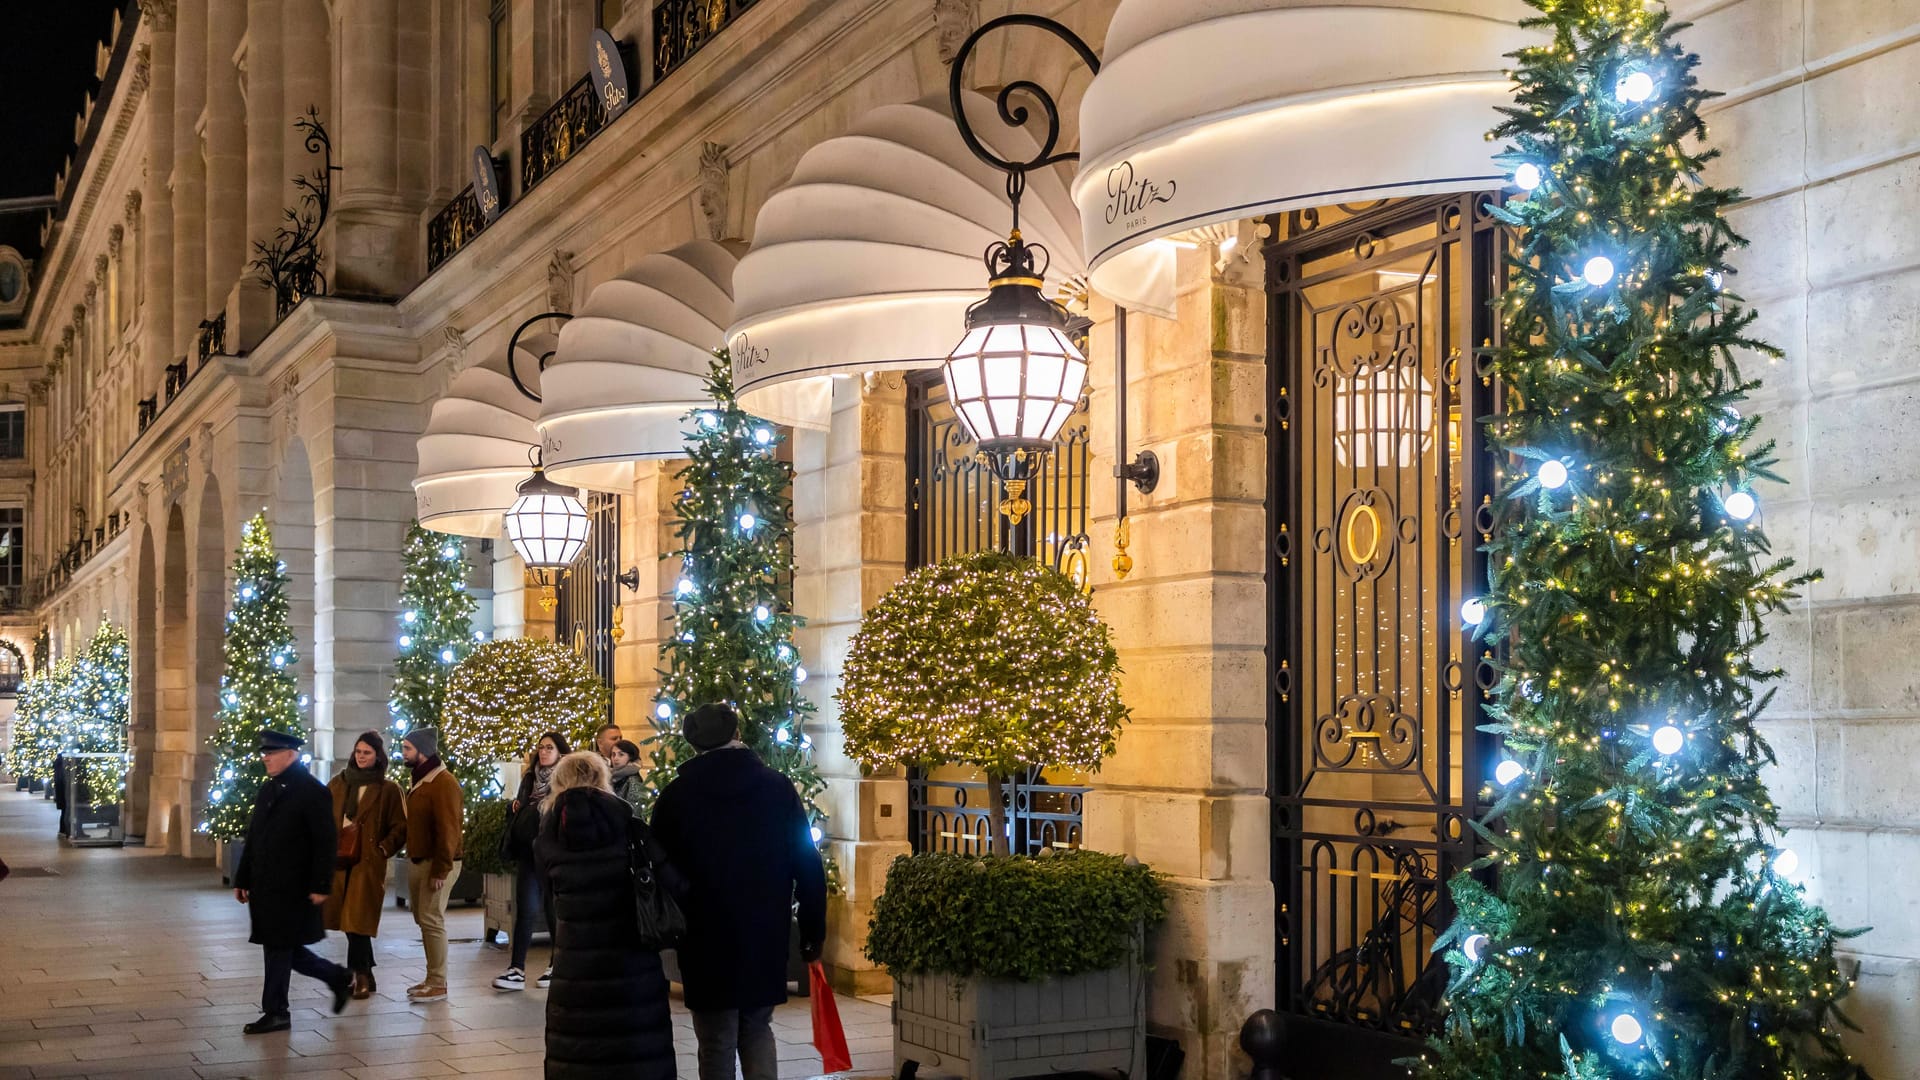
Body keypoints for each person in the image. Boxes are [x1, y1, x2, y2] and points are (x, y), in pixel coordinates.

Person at [652, 703, 828, 1080]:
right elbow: (807, 861)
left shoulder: (677, 796)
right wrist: (813, 934)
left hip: (704, 932)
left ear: (694, 745)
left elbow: (657, 866)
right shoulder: (777, 787)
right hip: (764, 930)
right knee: (758, 1028)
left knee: (715, 1039)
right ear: (736, 735)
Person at [537, 751, 676, 1078]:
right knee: (635, 1055)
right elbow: (673, 883)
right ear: (603, 780)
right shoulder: (631, 830)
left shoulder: (548, 837)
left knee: (578, 1054)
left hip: (575, 969)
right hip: (632, 966)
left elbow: (549, 892)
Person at [233, 730, 353, 1035]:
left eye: (271, 754)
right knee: (285, 949)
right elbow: (255, 838)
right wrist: (243, 877)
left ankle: (276, 1011)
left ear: (291, 754)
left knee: (278, 948)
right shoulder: (269, 790)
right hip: (266, 887)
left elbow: (325, 842)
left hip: (293, 888)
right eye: (265, 754)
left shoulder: (312, 792)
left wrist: (321, 884)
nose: (266, 759)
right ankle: (338, 978)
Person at [324, 732, 407, 1000]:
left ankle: (358, 976)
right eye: (358, 751)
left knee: (357, 920)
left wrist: (383, 849)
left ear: (377, 756)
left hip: (367, 862)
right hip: (338, 860)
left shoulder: (388, 789)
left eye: (367, 753)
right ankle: (366, 972)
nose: (361, 756)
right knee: (350, 920)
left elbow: (400, 826)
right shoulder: (337, 784)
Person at [494, 731, 568, 991]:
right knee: (525, 908)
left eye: (550, 747)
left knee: (552, 909)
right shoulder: (529, 777)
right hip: (528, 851)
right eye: (541, 747)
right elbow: (520, 806)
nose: (544, 752)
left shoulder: (566, 778)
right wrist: (516, 807)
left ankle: (556, 965)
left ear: (560, 752)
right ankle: (517, 968)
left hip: (552, 853)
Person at [399, 727, 462, 1003]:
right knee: (422, 918)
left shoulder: (443, 782)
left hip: (437, 863)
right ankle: (431, 977)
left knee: (431, 919)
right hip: (419, 859)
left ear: (423, 752)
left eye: (407, 749)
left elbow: (449, 829)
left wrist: (440, 869)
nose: (403, 754)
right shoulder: (422, 779)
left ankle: (438, 982)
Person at [607, 739, 645, 812]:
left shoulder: (633, 779)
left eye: (621, 754)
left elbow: (635, 811)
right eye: (613, 754)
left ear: (630, 757)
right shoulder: (610, 775)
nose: (615, 758)